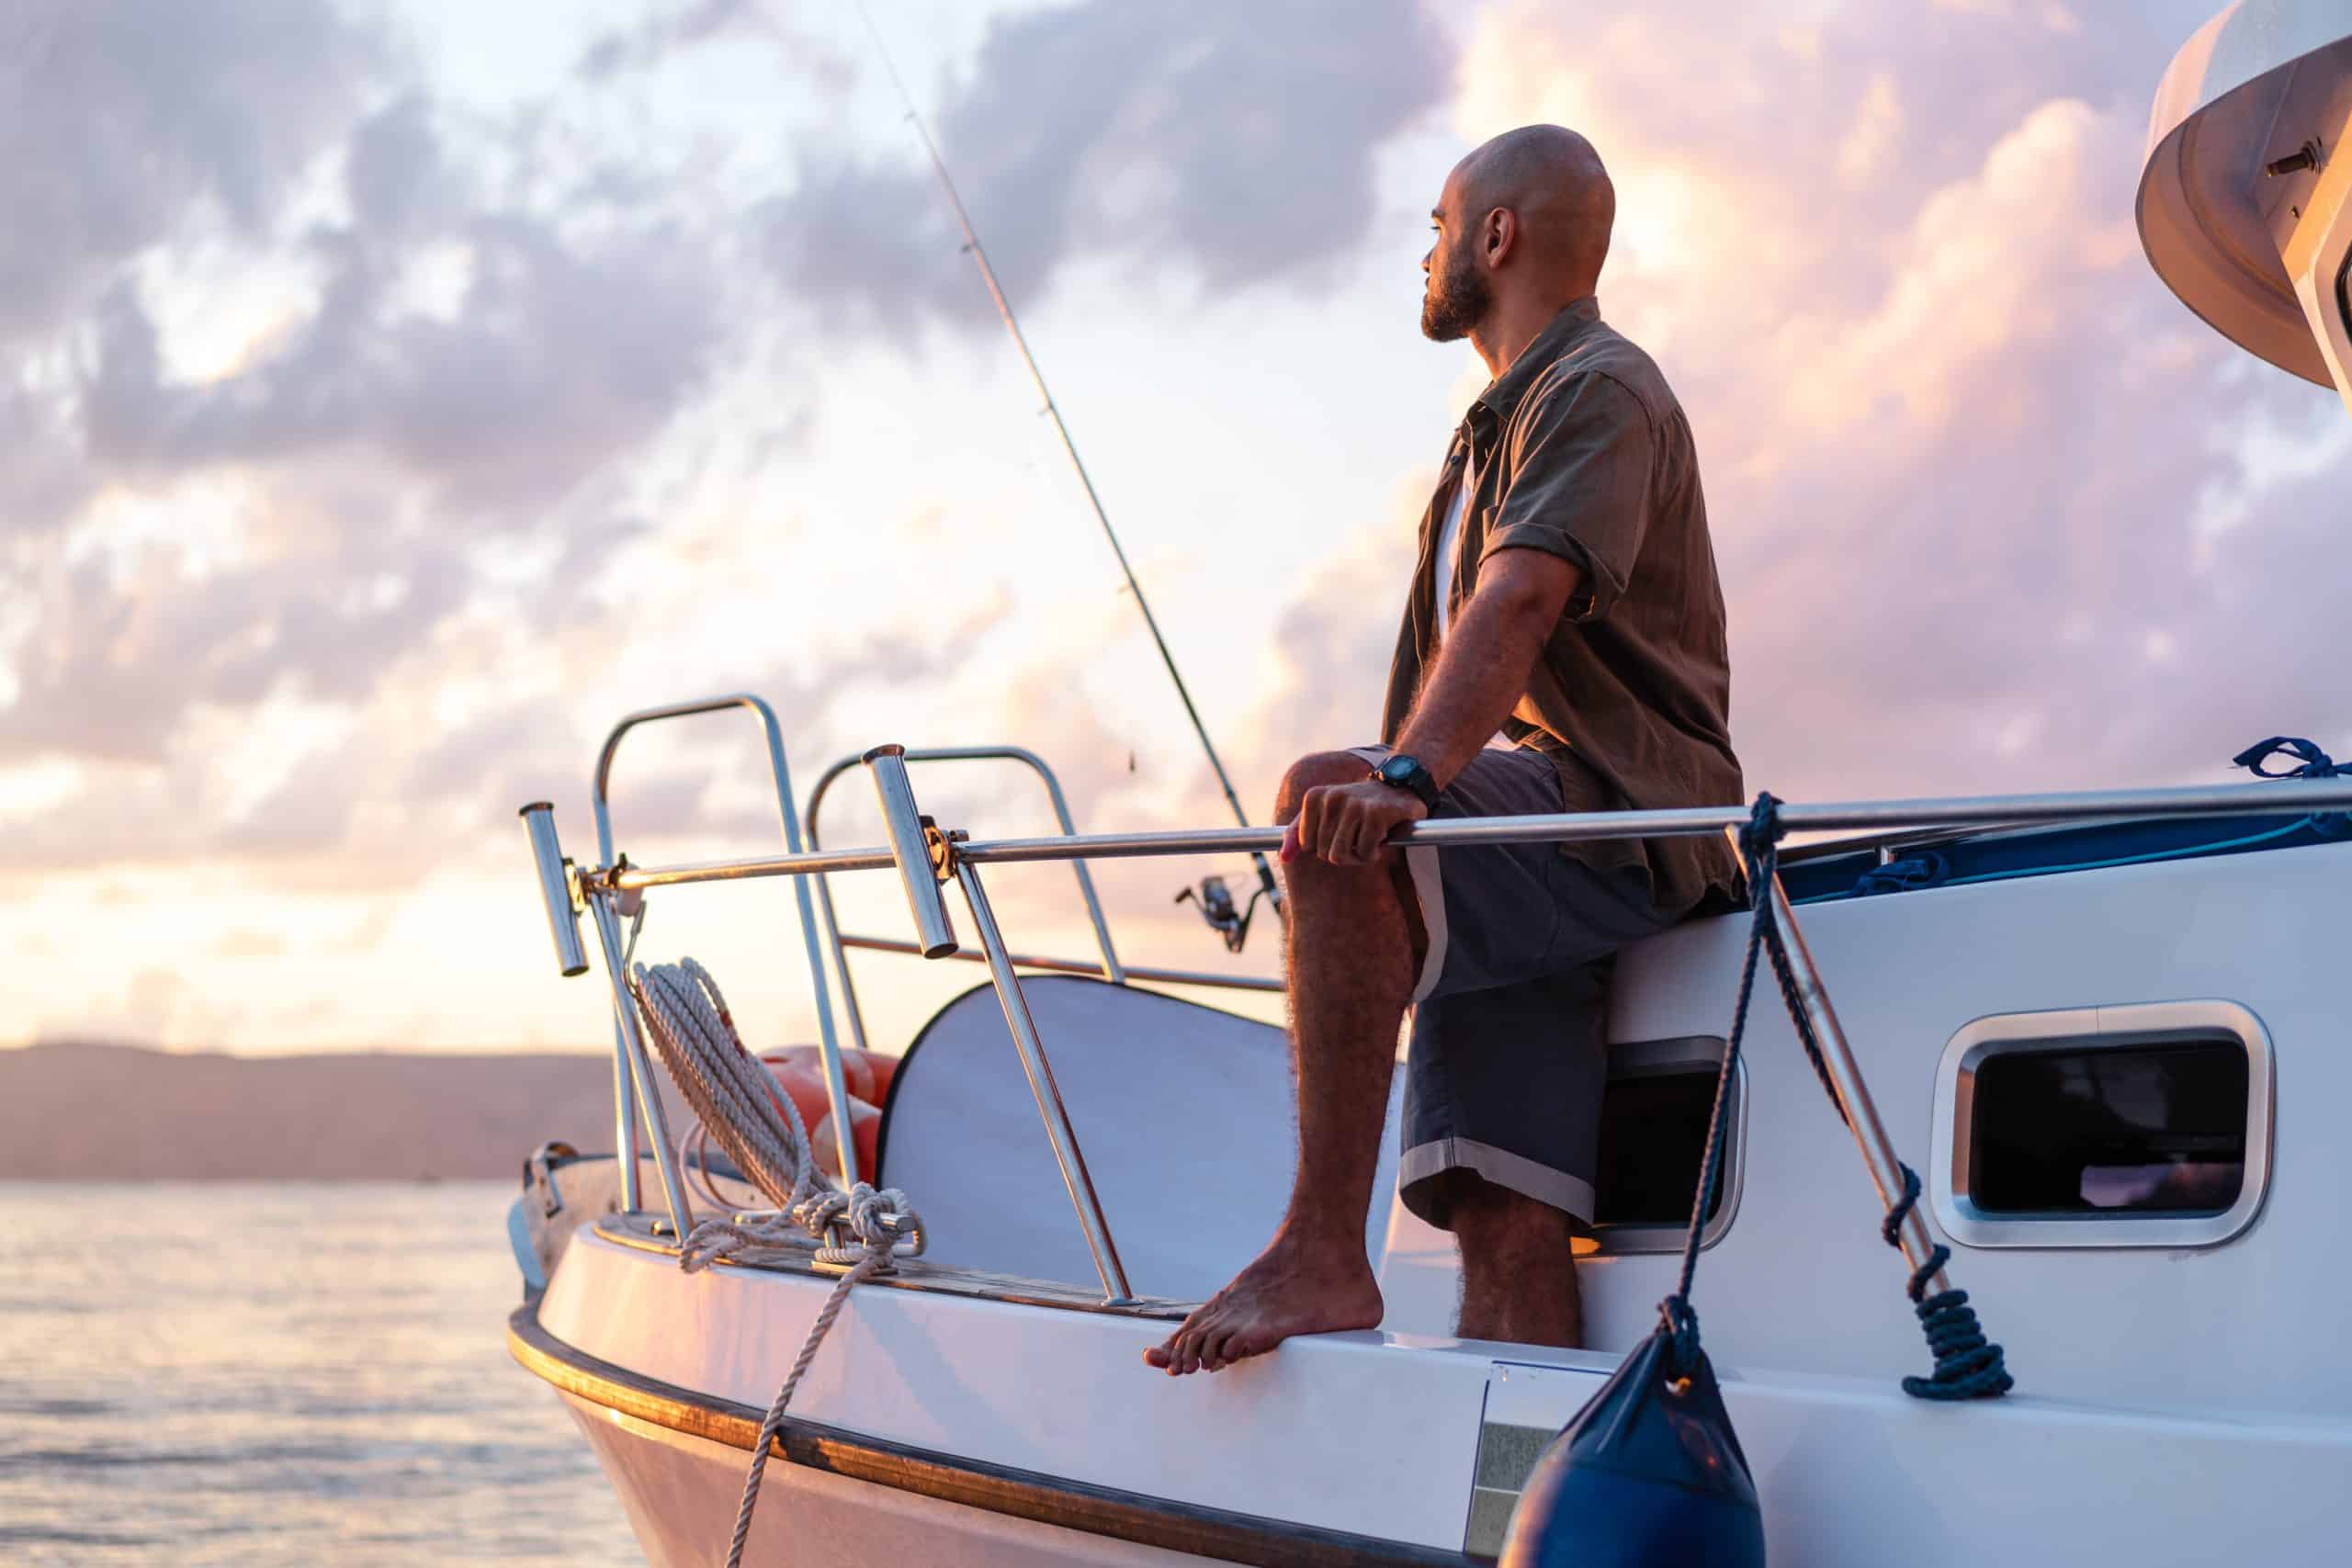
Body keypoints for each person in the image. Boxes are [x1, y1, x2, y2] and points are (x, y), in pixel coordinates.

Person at [1148, 125, 1742, 1376]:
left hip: (1608, 818)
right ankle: (1506, 1505)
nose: (1422, 256)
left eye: (1434, 227)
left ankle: (1320, 1248)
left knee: (1324, 803)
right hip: (1529, 846)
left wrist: (1407, 780)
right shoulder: (1499, 424)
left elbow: (1521, 600)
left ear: (1496, 235)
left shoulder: (1596, 390)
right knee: (1505, 1214)